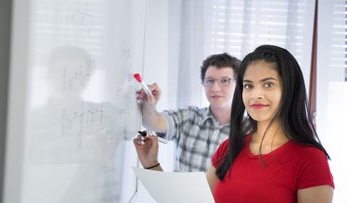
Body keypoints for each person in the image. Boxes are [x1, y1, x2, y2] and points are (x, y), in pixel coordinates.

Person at [133, 45, 334, 202]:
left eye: (268, 84)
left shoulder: (310, 160)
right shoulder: (229, 148)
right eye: (249, 85)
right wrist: (152, 164)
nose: (256, 94)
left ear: (289, 89)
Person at [136, 53, 241, 171]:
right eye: (210, 81)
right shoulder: (189, 116)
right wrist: (150, 106)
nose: (215, 88)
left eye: (225, 81)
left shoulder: (250, 131)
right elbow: (152, 123)